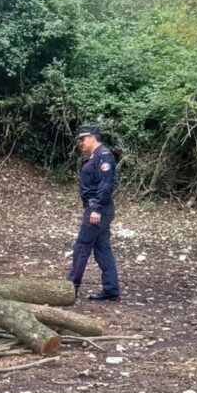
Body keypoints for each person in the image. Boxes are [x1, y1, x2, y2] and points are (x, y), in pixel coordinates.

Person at [67, 124, 121, 302]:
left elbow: (106, 184)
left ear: (92, 138)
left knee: (82, 247)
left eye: (82, 139)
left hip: (98, 210)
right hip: (99, 209)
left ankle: (70, 288)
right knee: (102, 249)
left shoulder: (103, 157)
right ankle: (111, 290)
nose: (80, 143)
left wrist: (96, 207)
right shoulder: (95, 157)